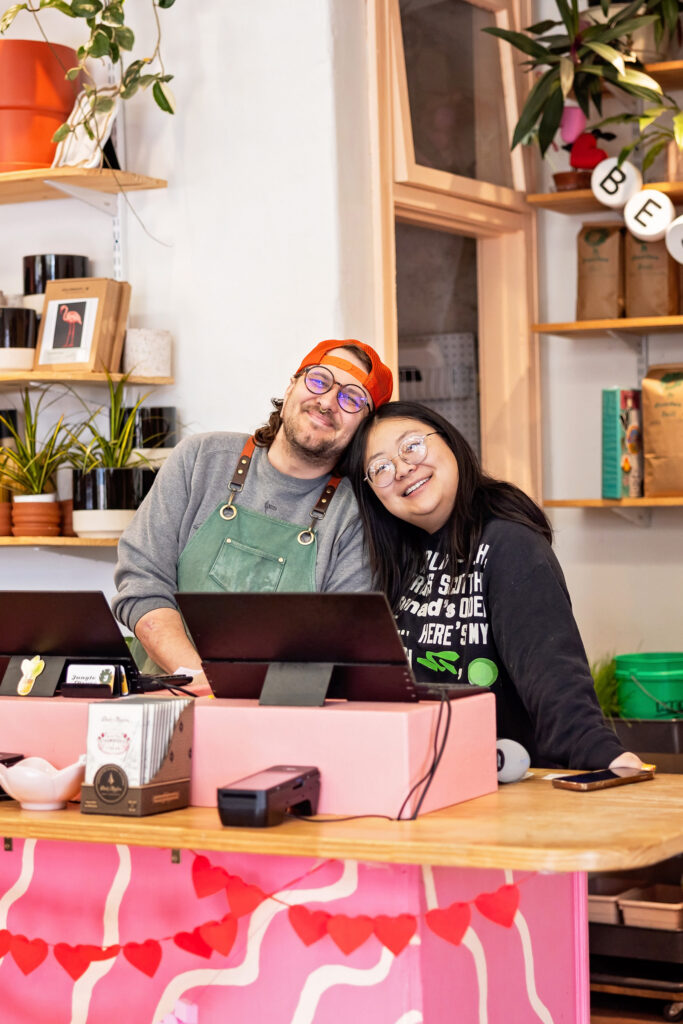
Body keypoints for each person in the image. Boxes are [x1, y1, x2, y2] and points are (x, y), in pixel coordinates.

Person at [347, 400, 642, 770]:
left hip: (508, 789)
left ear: (450, 442)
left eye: (411, 446)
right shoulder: (393, 563)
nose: (404, 468)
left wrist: (603, 755)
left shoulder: (508, 545)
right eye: (381, 468)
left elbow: (554, 678)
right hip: (421, 780)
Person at [113, 339, 393, 689]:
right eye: (319, 380)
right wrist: (198, 680)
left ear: (365, 426)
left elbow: (337, 646)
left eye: (351, 399)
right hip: (165, 702)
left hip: (276, 718)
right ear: (292, 385)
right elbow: (142, 583)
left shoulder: (355, 518)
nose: (327, 402)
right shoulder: (201, 460)